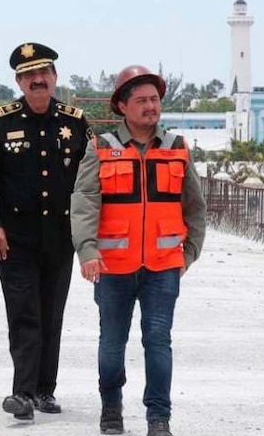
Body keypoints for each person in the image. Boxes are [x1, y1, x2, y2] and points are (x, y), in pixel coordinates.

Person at [70, 65, 206, 436]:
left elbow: (194, 205)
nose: (151, 106)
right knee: (112, 343)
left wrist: (189, 253)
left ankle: (158, 417)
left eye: (155, 99)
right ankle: (111, 409)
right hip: (112, 267)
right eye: (142, 100)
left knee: (158, 340)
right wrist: (87, 250)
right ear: (122, 106)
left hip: (163, 267)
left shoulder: (176, 148)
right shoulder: (101, 148)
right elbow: (84, 202)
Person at [0, 42, 90, 421]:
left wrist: (88, 234)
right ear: (19, 82)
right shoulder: (2, 122)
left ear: (54, 78)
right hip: (15, 238)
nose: (38, 80)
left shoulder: (75, 122)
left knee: (51, 313)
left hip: (60, 236)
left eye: (44, 73)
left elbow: (91, 183)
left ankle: (45, 390)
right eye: (29, 76)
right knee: (24, 314)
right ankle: (22, 393)